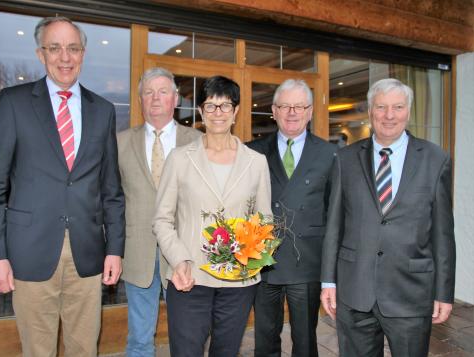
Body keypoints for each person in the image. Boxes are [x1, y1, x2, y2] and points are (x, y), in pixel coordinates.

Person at [0, 17, 125, 357]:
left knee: (84, 348)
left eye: (73, 48)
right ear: (40, 54)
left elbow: (111, 190)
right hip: (30, 252)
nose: (65, 57)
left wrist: (114, 248)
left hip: (88, 254)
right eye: (54, 48)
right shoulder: (14, 102)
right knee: (37, 350)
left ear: (83, 54)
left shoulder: (102, 111)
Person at [320, 78, 456, 357]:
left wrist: (444, 292)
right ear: (370, 111)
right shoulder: (344, 159)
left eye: (398, 107)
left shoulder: (435, 159)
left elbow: (442, 233)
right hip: (355, 291)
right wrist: (328, 281)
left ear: (408, 111)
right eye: (381, 107)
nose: (389, 115)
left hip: (410, 293)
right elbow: (334, 226)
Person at [153, 76, 271, 357]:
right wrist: (179, 259)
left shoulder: (256, 163)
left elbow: (264, 222)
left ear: (236, 111)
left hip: (238, 283)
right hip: (189, 278)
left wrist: (251, 253)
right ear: (200, 111)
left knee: (226, 352)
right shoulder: (180, 159)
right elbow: (162, 219)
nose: (218, 113)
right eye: (210, 106)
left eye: (225, 106)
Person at [248, 79, 336, 357]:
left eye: (299, 106)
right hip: (263, 261)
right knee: (264, 337)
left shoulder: (330, 154)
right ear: (273, 111)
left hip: (307, 261)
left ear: (311, 111)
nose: (292, 112)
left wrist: (331, 272)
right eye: (284, 105)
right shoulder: (252, 151)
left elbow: (334, 213)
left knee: (305, 339)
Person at [117, 67, 200, 357]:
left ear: (176, 99)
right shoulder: (120, 142)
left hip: (183, 254)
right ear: (140, 99)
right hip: (137, 252)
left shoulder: (196, 142)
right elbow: (113, 200)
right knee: (139, 338)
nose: (155, 98)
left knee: (188, 336)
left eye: (163, 91)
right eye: (148, 92)